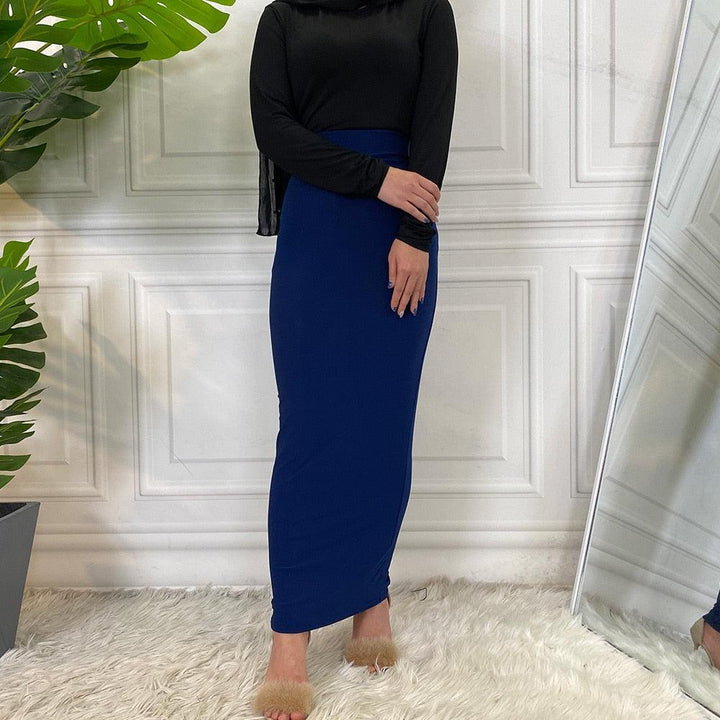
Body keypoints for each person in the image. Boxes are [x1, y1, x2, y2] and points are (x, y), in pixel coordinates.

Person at [248, 0, 458, 716]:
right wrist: (376, 177)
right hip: (319, 234)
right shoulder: (283, 16)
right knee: (309, 434)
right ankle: (290, 631)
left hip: (398, 238)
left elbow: (433, 124)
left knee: (380, 430)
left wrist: (416, 233)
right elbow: (274, 129)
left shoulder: (426, 9)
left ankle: (372, 596)